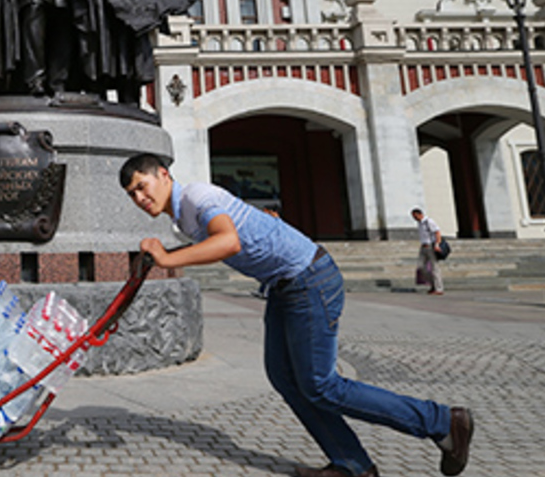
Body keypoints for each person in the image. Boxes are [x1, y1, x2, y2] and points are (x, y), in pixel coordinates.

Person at [119, 153, 474, 477]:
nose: (139, 198)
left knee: (321, 384)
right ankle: (352, 464)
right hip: (284, 286)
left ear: (163, 175)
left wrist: (165, 259)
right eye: (132, 195)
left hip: (309, 279)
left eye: (141, 186)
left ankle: (442, 422)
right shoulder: (184, 216)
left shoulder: (197, 196)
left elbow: (228, 242)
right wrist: (162, 253)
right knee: (286, 378)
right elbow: (226, 235)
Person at [412, 208, 445, 295]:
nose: (414, 218)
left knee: (435, 268)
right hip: (423, 247)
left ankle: (439, 288)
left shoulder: (428, 222)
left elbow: (437, 232)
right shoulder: (419, 224)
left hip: (431, 246)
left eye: (415, 216)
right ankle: (432, 284)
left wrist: (437, 244)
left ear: (419, 214)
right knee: (421, 267)